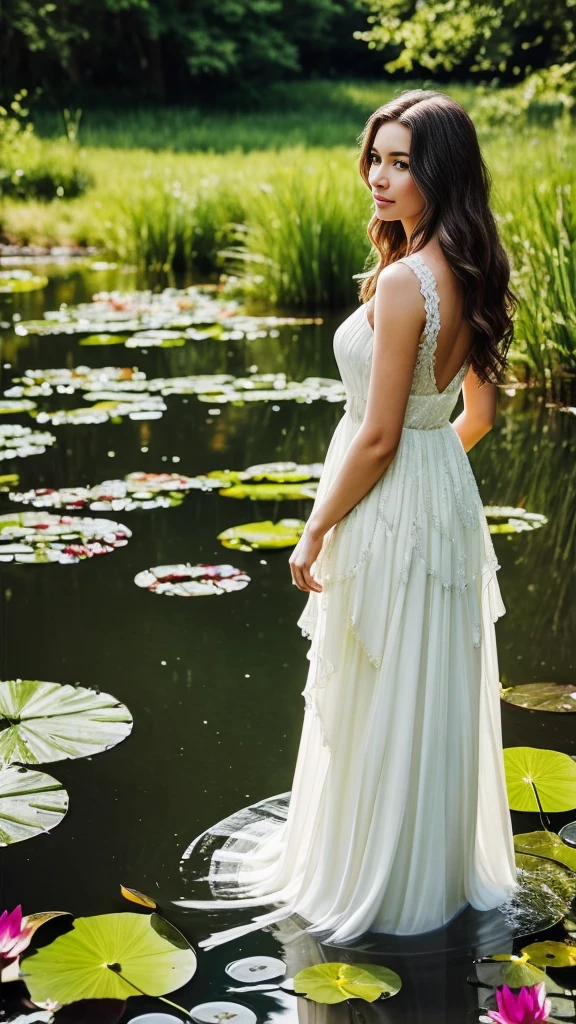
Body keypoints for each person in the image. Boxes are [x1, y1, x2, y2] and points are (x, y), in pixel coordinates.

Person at [176, 88, 520, 949]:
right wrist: (431, 485)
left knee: (377, 687)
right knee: (413, 686)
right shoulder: (466, 265)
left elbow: (373, 438)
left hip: (386, 503)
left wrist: (314, 527)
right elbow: (472, 417)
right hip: (439, 508)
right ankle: (426, 875)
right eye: (376, 156)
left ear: (439, 171)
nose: (379, 175)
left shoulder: (408, 281)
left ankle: (372, 881)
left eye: (402, 161)